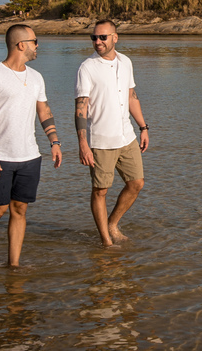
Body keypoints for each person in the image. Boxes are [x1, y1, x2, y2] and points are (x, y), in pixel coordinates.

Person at [0, 24, 62, 266]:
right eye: (35, 41)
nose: (37, 46)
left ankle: (14, 265)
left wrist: (54, 141)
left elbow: (43, 110)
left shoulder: (36, 77)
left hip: (30, 156)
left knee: (20, 209)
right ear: (21, 45)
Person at [75, 19, 150, 247]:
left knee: (136, 183)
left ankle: (112, 223)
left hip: (127, 136)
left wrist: (143, 127)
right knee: (100, 190)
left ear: (115, 38)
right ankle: (106, 241)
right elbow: (81, 107)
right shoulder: (87, 67)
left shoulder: (126, 61)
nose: (97, 42)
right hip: (101, 140)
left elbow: (131, 96)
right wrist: (83, 143)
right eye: (94, 38)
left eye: (102, 37)